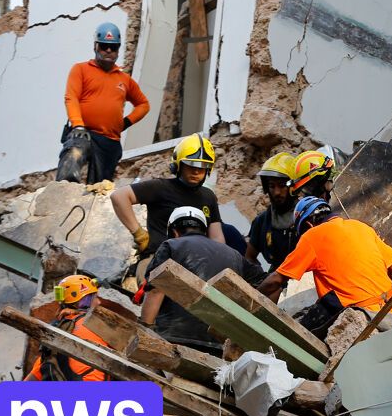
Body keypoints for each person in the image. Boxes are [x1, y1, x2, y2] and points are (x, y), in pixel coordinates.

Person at [26, 275, 147, 416]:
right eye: (94, 297)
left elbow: (32, 380)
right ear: (84, 300)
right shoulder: (98, 328)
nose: (99, 303)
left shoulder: (53, 334)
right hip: (94, 410)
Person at [258, 197, 392, 334]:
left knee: (296, 335)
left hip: (358, 315)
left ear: (308, 225)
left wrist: (252, 296)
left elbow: (276, 280)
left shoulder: (312, 236)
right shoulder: (361, 227)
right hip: (390, 310)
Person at [137, 207, 267, 349]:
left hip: (175, 337)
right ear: (204, 230)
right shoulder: (234, 254)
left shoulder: (170, 245)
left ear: (173, 231)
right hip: (219, 342)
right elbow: (263, 281)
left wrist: (145, 331)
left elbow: (156, 290)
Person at [110, 135, 225, 282]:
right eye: (190, 165)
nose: (196, 171)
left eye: (202, 167)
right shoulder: (161, 187)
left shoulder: (208, 197)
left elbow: (217, 237)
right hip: (158, 259)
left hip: (194, 265)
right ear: (178, 165)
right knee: (154, 298)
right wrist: (139, 234)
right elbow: (119, 196)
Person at [58, 22, 150, 184]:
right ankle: (64, 191)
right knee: (74, 153)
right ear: (96, 46)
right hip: (83, 132)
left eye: (113, 47)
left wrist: (125, 123)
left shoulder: (124, 80)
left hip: (110, 140)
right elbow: (71, 97)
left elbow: (143, 104)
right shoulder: (81, 70)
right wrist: (78, 125)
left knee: (100, 187)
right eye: (104, 46)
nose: (108, 50)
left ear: (118, 50)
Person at [245, 152, 298, 271]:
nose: (277, 192)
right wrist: (261, 279)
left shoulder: (306, 218)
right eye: (272, 186)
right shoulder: (262, 221)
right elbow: (249, 257)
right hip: (276, 279)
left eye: (282, 185)